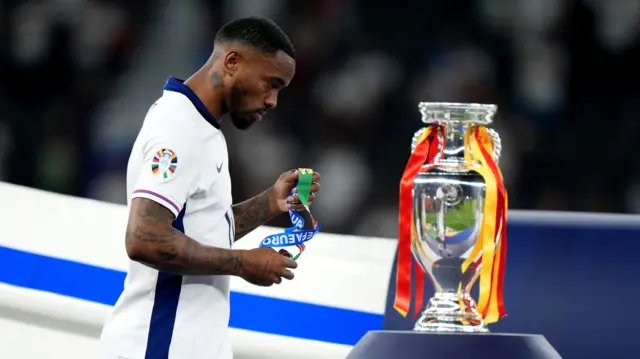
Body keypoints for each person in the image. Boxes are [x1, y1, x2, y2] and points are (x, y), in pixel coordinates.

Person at [98, 16, 321, 359]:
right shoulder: (178, 129)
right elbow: (143, 237)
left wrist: (268, 204)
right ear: (232, 62)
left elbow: (200, 226)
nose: (272, 100)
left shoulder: (204, 127)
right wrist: (242, 263)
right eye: (270, 83)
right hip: (157, 345)